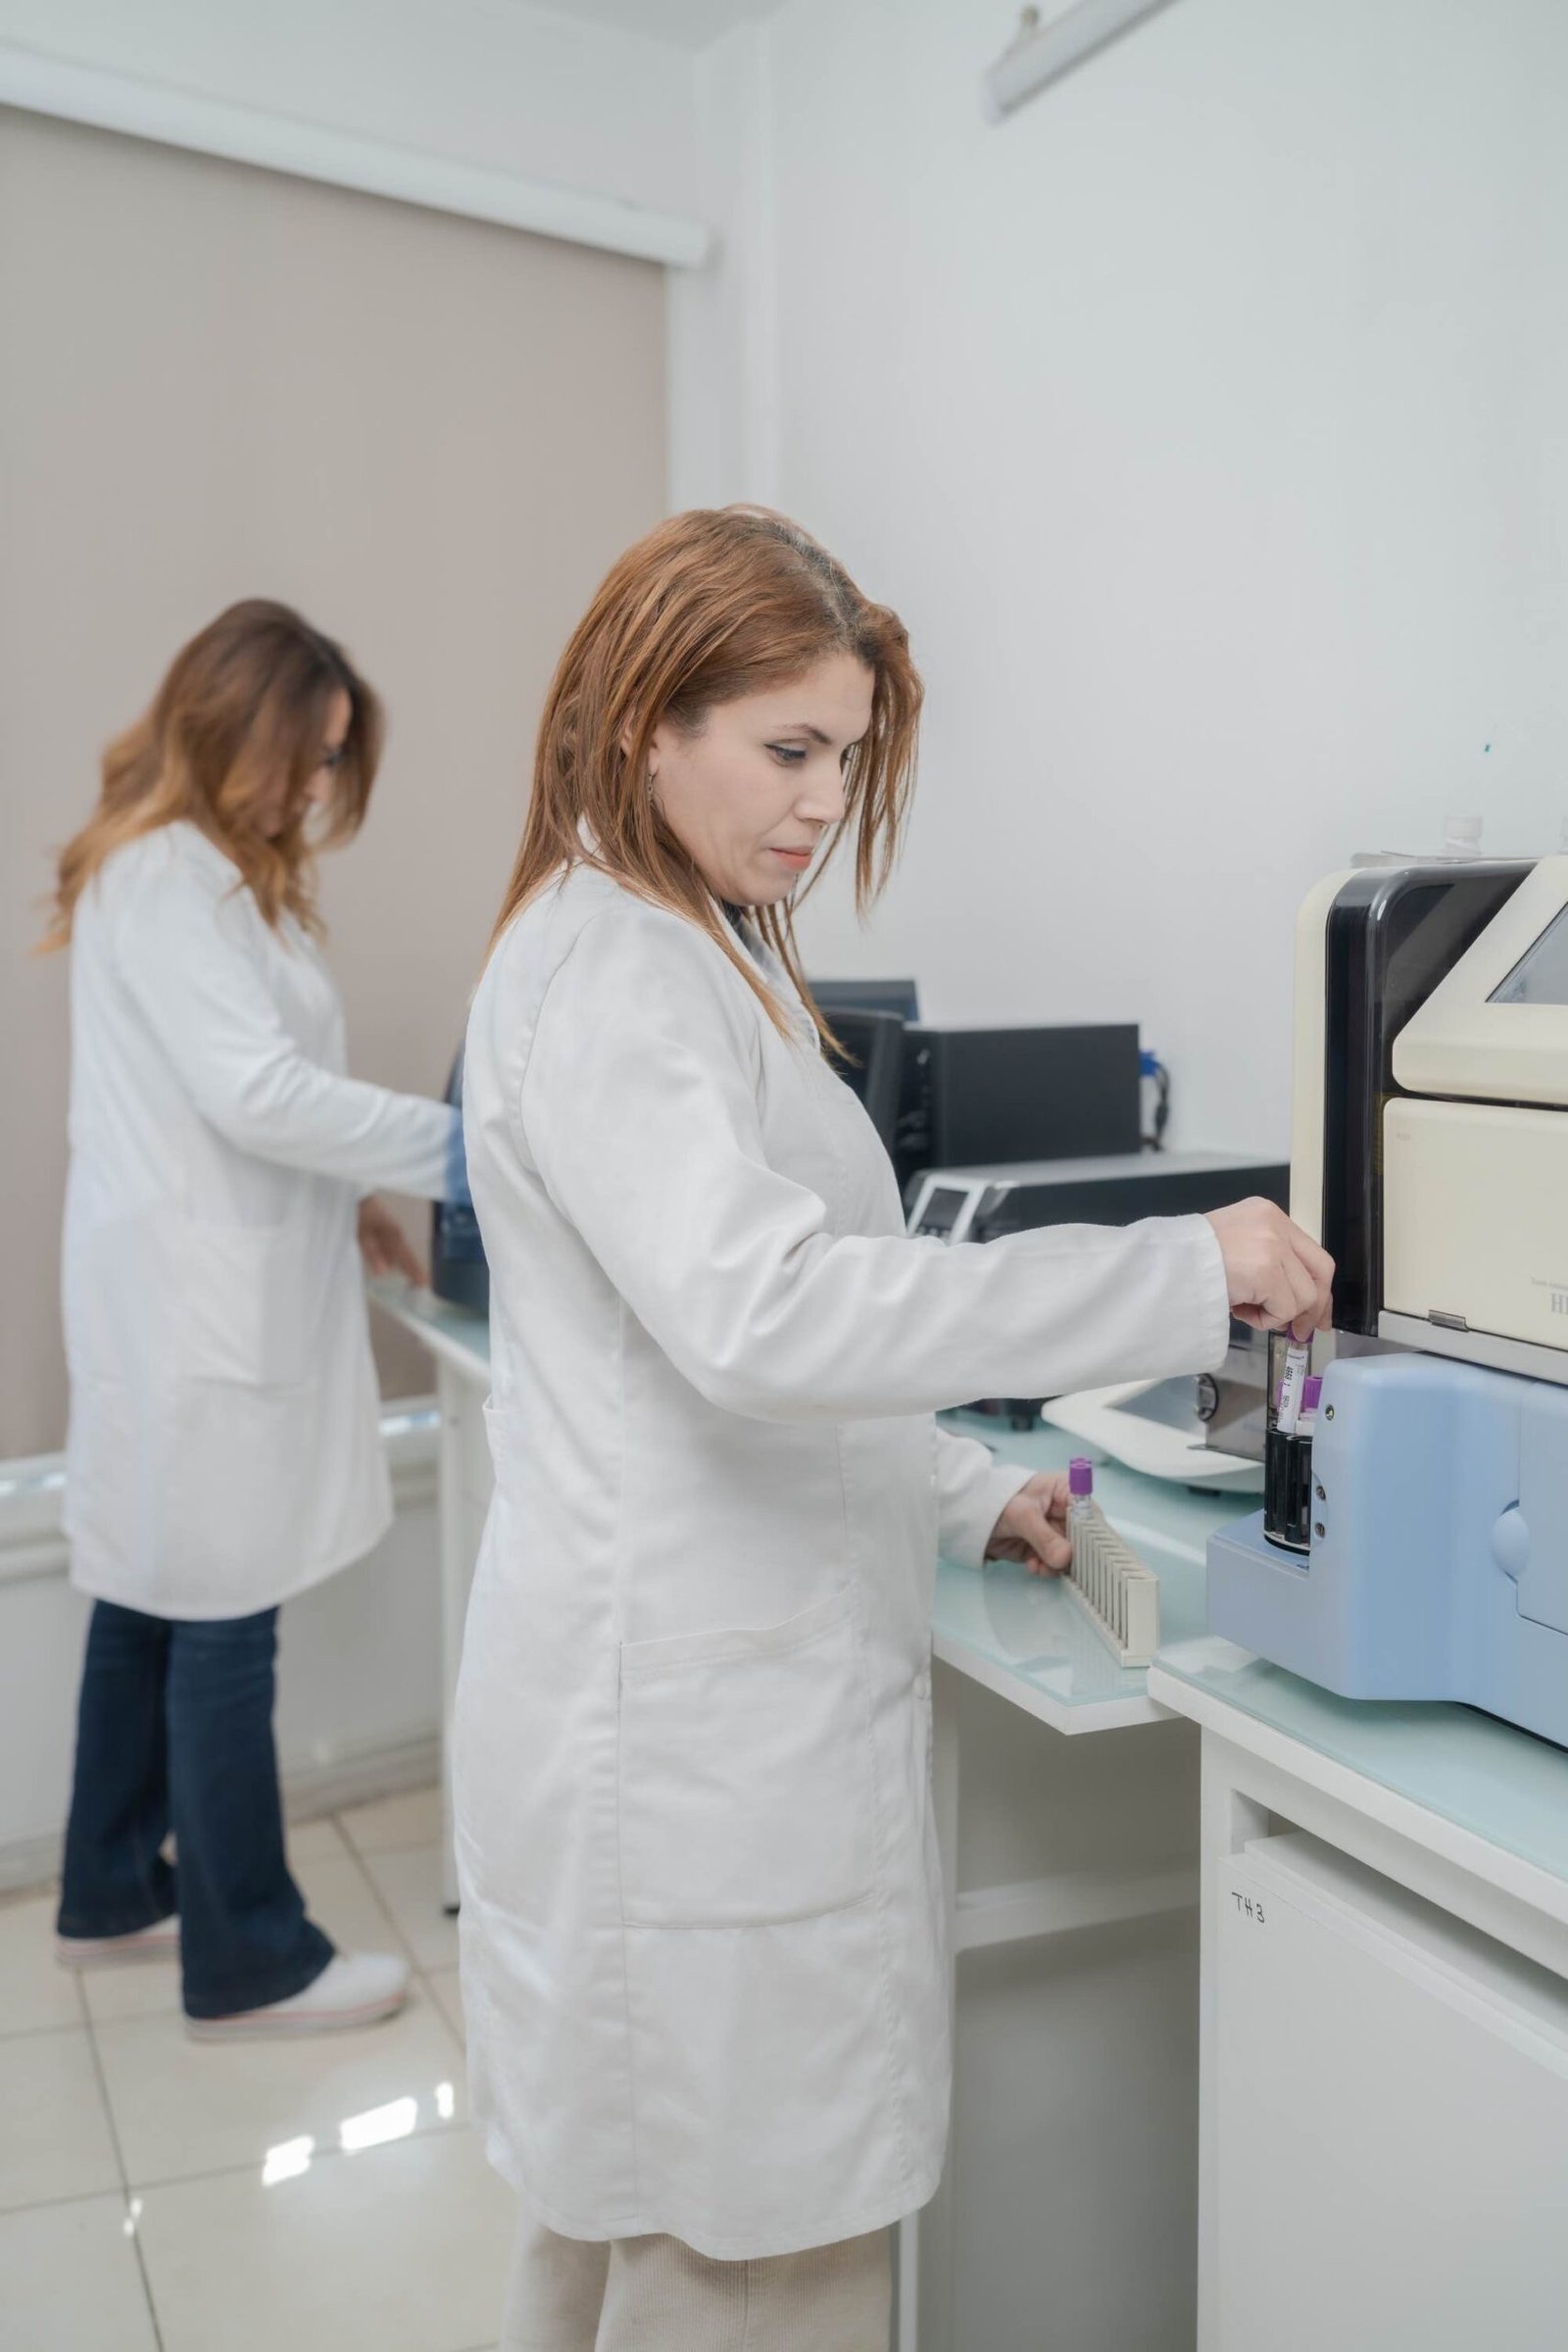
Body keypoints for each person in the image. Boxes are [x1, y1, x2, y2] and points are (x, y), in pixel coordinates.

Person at [455, 509, 1334, 2349]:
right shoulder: (617, 972)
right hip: (690, 1754)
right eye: (789, 749)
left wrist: (965, 1487)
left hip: (689, 1704)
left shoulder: (685, 949)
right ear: (649, 724)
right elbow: (767, 1316)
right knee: (741, 2266)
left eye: (844, 759)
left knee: (640, 2238)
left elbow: (717, 1350)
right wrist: (1182, 1270)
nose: (822, 804)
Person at [44, 599, 468, 2038]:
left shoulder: (201, 875)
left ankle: (112, 1889)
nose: (317, 785)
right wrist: (471, 1149)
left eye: (335, 759)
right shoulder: (170, 876)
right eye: (310, 753)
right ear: (235, 727)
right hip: (193, 1307)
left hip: (182, 1290)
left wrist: (352, 1197)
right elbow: (257, 1095)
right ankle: (247, 1961)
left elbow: (234, 1097)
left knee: (149, 1593)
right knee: (220, 1611)